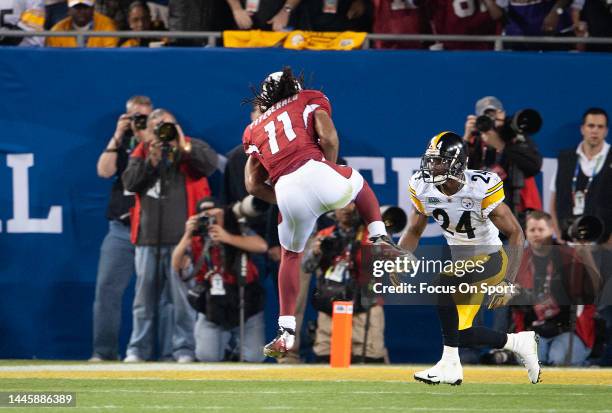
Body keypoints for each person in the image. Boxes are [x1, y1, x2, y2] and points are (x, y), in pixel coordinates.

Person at [242, 67, 396, 359]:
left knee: (291, 256)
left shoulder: (253, 129)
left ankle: (285, 330)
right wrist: (330, 169)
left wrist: (284, 199)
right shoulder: (308, 99)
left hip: (286, 192)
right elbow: (329, 138)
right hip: (316, 170)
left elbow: (251, 184)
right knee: (356, 180)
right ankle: (378, 236)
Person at [398, 131, 540, 385]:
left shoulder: (480, 187)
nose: (433, 166)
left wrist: (508, 282)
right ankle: (519, 342)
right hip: (464, 263)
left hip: (493, 259)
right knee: (459, 333)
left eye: (440, 160)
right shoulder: (422, 186)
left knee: (443, 283)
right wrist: (399, 256)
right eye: (430, 160)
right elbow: (414, 229)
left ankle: (449, 367)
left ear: (457, 162)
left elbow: (516, 233)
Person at [122, 108, 218, 362]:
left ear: (176, 126)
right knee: (143, 301)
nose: (162, 131)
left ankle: (183, 349)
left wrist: (181, 142)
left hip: (181, 240)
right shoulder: (142, 151)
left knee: (181, 301)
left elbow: (208, 165)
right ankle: (137, 349)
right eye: (157, 126)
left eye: (167, 126)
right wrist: (151, 160)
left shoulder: (190, 148)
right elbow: (130, 183)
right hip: (147, 239)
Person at [91, 95, 155, 362]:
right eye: (135, 116)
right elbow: (104, 171)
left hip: (152, 229)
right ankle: (103, 352)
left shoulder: (156, 141)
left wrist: (148, 135)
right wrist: (119, 134)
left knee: (153, 296)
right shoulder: (121, 142)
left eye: (144, 116)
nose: (139, 121)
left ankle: (152, 354)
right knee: (107, 291)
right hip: (121, 228)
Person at [171, 197, 268, 362]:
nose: (210, 219)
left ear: (223, 213)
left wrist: (226, 237)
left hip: (245, 300)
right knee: (207, 356)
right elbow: (177, 265)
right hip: (213, 304)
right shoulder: (196, 237)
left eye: (214, 214)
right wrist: (188, 234)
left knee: (255, 357)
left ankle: (235, 349)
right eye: (204, 216)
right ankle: (228, 347)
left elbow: (262, 246)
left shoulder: (237, 227)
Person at [512, 211, 599, 366]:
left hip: (570, 330)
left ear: (552, 230)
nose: (536, 234)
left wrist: (585, 255)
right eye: (532, 230)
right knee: (533, 362)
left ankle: (584, 366)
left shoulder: (569, 255)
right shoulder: (520, 260)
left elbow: (595, 287)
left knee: (558, 360)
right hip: (534, 329)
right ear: (525, 232)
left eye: (541, 230)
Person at [303, 202, 387, 363]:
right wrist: (315, 252)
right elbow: (307, 267)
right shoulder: (324, 234)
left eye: (350, 204)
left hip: (365, 304)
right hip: (331, 305)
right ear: (334, 211)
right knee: (325, 356)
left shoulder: (373, 235)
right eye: (341, 205)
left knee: (369, 357)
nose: (345, 209)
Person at [463, 96, 543, 221]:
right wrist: (467, 139)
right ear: (478, 119)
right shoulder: (475, 142)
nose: (492, 119)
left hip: (517, 212)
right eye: (486, 115)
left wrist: (501, 145)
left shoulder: (514, 135)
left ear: (503, 114)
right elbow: (457, 174)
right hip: (482, 214)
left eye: (494, 113)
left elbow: (534, 165)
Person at [46, 0, 119, 48]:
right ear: (69, 10)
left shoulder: (106, 24)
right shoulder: (57, 31)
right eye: (77, 7)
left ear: (93, 9)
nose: (81, 11)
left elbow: (109, 55)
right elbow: (55, 59)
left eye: (85, 7)